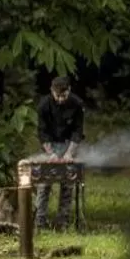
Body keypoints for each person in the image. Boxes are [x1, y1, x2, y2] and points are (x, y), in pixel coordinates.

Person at [34, 76, 86, 229]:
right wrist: (51, 154)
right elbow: (42, 132)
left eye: (64, 95)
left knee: (68, 184)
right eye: (58, 96)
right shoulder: (43, 105)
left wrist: (69, 153)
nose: (61, 99)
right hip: (49, 146)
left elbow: (78, 131)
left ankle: (62, 222)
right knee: (44, 184)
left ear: (69, 90)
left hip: (68, 145)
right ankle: (40, 222)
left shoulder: (77, 104)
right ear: (52, 91)